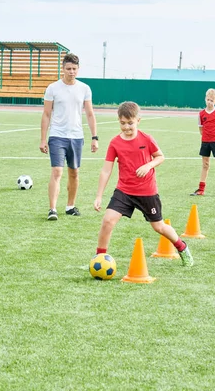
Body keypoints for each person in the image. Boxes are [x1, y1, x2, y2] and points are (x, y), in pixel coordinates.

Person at [93, 101, 194, 267]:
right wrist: (98, 196)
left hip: (147, 192)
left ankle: (182, 248)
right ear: (118, 121)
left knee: (159, 227)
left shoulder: (146, 139)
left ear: (138, 120)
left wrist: (148, 165)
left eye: (130, 123)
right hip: (124, 191)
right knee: (107, 221)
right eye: (122, 123)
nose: (126, 127)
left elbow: (160, 156)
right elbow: (106, 170)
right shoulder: (114, 143)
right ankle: (98, 259)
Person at [39, 52, 98, 221]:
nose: (71, 71)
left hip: (77, 137)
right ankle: (52, 209)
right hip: (57, 136)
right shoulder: (53, 88)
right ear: (63, 69)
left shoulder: (84, 88)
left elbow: (90, 114)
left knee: (74, 173)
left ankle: (70, 206)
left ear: (78, 69)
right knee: (57, 171)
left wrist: (95, 137)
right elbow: (46, 114)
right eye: (68, 68)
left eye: (74, 69)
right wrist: (43, 139)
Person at [190, 88, 215, 197]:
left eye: (212, 100)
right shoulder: (201, 114)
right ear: (205, 99)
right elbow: (201, 129)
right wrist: (207, 137)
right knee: (205, 165)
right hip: (205, 142)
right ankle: (201, 189)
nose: (209, 102)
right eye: (208, 99)